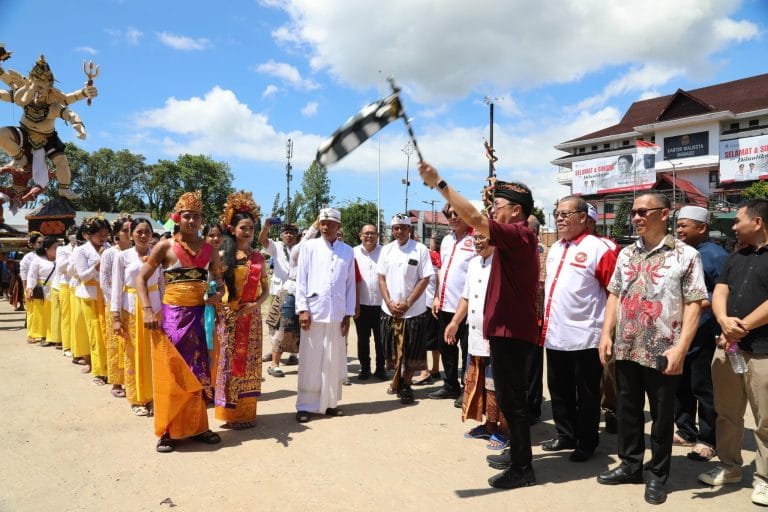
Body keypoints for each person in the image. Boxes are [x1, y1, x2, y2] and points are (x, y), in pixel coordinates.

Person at [419, 163, 540, 490]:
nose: (492, 212)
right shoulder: (513, 238)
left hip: (512, 333)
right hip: (504, 331)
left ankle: (523, 468)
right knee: (509, 398)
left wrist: (440, 184)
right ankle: (518, 455)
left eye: (498, 207)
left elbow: (473, 218)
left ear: (516, 211)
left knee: (513, 401)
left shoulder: (519, 234)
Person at [597, 192, 706, 505]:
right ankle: (630, 465)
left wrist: (681, 349)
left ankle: (657, 474)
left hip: (663, 349)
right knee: (628, 410)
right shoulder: (626, 253)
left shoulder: (685, 255)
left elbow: (695, 305)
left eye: (644, 212)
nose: (636, 217)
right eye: (634, 212)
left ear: (664, 214)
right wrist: (606, 334)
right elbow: (614, 295)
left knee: (660, 417)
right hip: (627, 347)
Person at [136, 190, 223, 452]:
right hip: (172, 318)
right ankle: (168, 430)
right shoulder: (165, 247)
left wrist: (217, 295)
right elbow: (141, 278)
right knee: (172, 373)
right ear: (178, 218)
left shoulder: (210, 250)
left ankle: (198, 426)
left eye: (197, 216)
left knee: (198, 372)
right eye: (187, 216)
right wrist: (148, 310)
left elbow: (219, 283)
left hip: (199, 319)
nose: (192, 221)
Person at [698, 199, 768, 507]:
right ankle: (730, 466)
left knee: (765, 420)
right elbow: (720, 291)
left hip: (763, 353)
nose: (734, 226)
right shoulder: (736, 256)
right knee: (727, 412)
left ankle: (764, 479)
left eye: (738, 220)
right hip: (728, 349)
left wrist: (742, 327)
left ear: (758, 222)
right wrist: (725, 321)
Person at [540, 196, 617, 462]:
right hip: (555, 335)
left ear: (583, 217)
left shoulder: (600, 248)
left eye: (565, 214)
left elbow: (614, 294)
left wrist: (607, 333)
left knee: (586, 394)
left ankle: (586, 441)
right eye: (557, 213)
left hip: (585, 336)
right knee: (558, 389)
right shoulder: (556, 248)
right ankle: (565, 434)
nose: (559, 218)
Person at [0, 54, 96, 200]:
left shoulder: (53, 106)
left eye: (42, 88)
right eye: (35, 87)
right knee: (2, 134)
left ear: (49, 89)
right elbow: (6, 94)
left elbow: (70, 112)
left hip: (48, 138)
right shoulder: (24, 96)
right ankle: (21, 159)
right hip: (24, 134)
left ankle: (64, 189)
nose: (38, 92)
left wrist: (79, 126)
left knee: (62, 162)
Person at [674, 206, 728, 461]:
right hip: (680, 331)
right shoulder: (680, 253)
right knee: (680, 384)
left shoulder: (715, 255)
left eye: (685, 225)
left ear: (702, 228)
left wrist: (693, 302)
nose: (679, 229)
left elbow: (724, 292)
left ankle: (708, 439)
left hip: (704, 332)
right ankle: (685, 430)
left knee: (702, 386)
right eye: (678, 225)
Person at [446, 233, 508, 448]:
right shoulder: (473, 263)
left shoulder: (503, 262)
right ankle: (489, 425)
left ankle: (504, 429)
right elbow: (467, 296)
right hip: (475, 335)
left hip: (496, 336)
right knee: (479, 383)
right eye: (476, 238)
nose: (478, 242)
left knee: (498, 385)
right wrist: (455, 322)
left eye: (483, 237)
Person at [294, 208, 355, 421]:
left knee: (333, 360)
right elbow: (301, 280)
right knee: (311, 360)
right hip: (313, 312)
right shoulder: (309, 247)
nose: (326, 227)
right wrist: (303, 309)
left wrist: (348, 314)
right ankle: (305, 405)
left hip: (337, 314)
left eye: (330, 223)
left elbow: (350, 286)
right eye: (323, 223)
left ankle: (329, 403)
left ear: (338, 227)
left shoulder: (348, 251)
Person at [214, 192, 269, 429]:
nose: (248, 232)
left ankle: (247, 413)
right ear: (232, 229)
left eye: (252, 228)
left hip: (252, 317)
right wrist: (223, 309)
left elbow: (266, 289)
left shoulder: (259, 258)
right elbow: (214, 288)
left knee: (251, 363)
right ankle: (229, 413)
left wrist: (256, 305)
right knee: (229, 363)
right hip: (229, 318)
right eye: (243, 227)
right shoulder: (222, 256)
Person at [378, 214, 434, 405]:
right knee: (393, 352)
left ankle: (406, 385)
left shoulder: (420, 249)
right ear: (392, 230)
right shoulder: (386, 250)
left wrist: (408, 302)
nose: (399, 231)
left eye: (403, 227)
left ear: (410, 230)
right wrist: (389, 301)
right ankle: (396, 380)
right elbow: (381, 279)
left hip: (414, 311)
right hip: (390, 310)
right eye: (396, 228)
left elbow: (425, 278)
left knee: (411, 352)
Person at [111, 218, 161, 417]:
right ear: (131, 234)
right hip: (132, 308)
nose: (143, 235)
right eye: (139, 231)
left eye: (147, 231)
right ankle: (138, 397)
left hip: (156, 307)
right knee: (134, 353)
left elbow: (163, 282)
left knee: (155, 353)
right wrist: (115, 316)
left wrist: (165, 307)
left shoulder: (157, 254)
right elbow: (116, 287)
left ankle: (156, 395)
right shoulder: (122, 257)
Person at [430, 202, 474, 405]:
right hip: (446, 304)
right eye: (450, 214)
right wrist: (437, 296)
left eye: (458, 213)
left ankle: (467, 389)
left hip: (467, 306)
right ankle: (450, 384)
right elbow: (441, 270)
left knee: (467, 349)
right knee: (445, 346)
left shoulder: (475, 239)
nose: (454, 217)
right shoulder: (446, 240)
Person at [586, 202, 621, 433]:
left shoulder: (606, 246)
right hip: (582, 323)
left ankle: (612, 411)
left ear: (589, 221)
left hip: (605, 318)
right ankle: (590, 410)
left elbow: (614, 289)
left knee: (609, 369)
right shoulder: (563, 246)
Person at [73, 216, 112, 384]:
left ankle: (112, 368)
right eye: (99, 234)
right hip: (90, 295)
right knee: (96, 332)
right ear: (88, 234)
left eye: (105, 234)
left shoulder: (109, 247)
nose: (103, 238)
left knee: (108, 332)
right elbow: (81, 275)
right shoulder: (80, 251)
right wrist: (98, 264)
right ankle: (99, 370)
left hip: (107, 294)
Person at [259, 221, 300, 377]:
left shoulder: (301, 248)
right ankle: (275, 352)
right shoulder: (276, 247)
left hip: (296, 292)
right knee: (275, 323)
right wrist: (266, 227)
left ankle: (292, 354)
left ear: (297, 234)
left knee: (294, 324)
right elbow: (262, 240)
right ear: (282, 234)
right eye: (286, 232)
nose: (289, 235)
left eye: (292, 232)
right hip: (279, 291)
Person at [101, 216, 132, 399]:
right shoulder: (110, 253)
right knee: (115, 344)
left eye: (131, 230)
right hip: (115, 305)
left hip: (133, 304)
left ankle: (132, 379)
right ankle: (116, 381)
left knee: (130, 344)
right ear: (117, 235)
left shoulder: (137, 252)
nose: (129, 234)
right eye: (125, 231)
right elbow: (104, 282)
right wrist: (115, 305)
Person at [353, 223, 386, 381]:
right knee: (363, 339)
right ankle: (364, 368)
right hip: (361, 304)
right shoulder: (353, 253)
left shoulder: (385, 252)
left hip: (382, 305)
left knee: (381, 340)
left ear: (377, 235)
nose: (369, 236)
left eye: (372, 233)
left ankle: (381, 368)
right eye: (366, 233)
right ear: (360, 235)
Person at [25, 236, 59, 347]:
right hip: (42, 292)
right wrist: (30, 288)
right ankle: (45, 336)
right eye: (54, 247)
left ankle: (55, 336)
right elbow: (32, 275)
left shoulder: (61, 260)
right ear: (46, 249)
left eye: (58, 247)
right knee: (43, 315)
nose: (57, 249)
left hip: (57, 291)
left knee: (55, 315)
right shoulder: (38, 260)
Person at [20, 231, 42, 342]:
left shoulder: (47, 255)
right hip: (31, 288)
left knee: (42, 312)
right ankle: (31, 335)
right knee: (32, 312)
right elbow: (24, 275)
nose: (41, 244)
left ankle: (42, 334)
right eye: (39, 242)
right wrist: (26, 290)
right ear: (33, 244)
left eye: (42, 242)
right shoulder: (28, 258)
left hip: (45, 287)